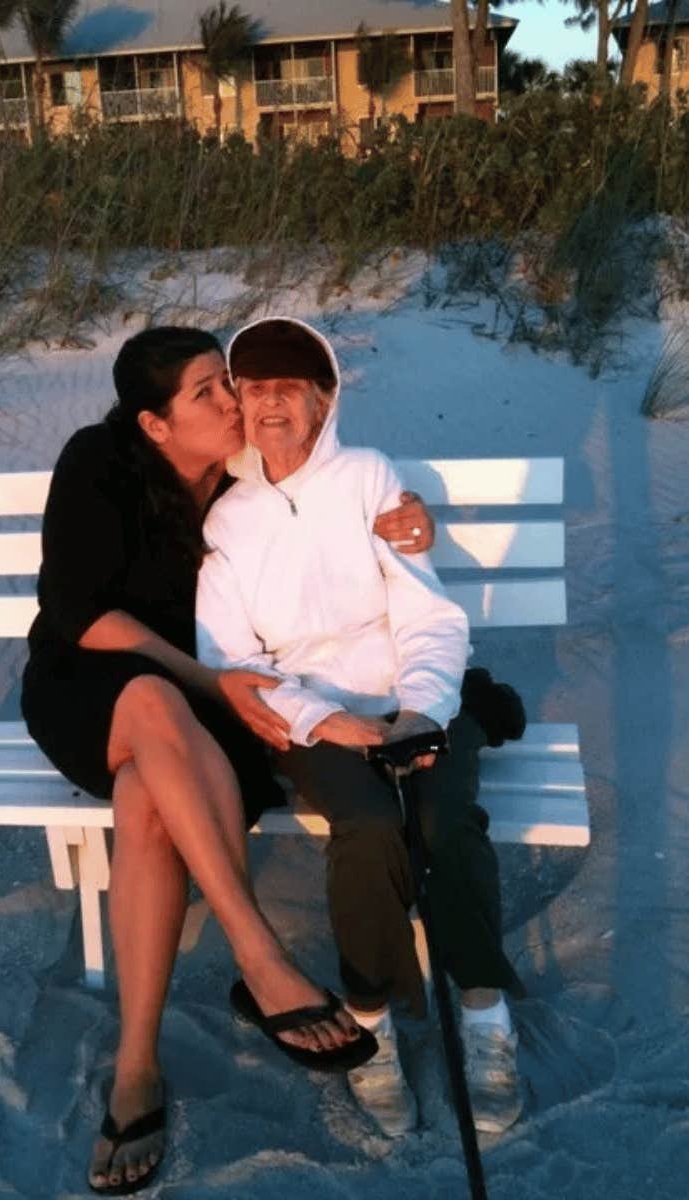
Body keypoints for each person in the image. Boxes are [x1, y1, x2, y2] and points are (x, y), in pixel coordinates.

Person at [20, 325, 434, 1194]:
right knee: (149, 701)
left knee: (145, 801)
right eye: (209, 391)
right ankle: (259, 955)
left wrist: (405, 520)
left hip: (214, 715)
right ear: (154, 424)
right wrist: (213, 680)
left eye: (229, 383)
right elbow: (79, 615)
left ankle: (136, 1069)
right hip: (94, 688)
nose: (234, 402)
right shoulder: (99, 462)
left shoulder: (248, 473)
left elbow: (334, 500)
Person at [196, 317, 526, 1141]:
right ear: (240, 400)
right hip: (307, 717)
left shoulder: (374, 478)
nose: (271, 403)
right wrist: (322, 719)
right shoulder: (230, 519)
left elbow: (429, 614)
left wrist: (421, 708)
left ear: (323, 399)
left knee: (448, 823)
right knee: (371, 825)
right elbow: (232, 657)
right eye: (256, 387)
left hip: (414, 699)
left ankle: (485, 1016)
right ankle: (370, 1022)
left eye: (289, 388)